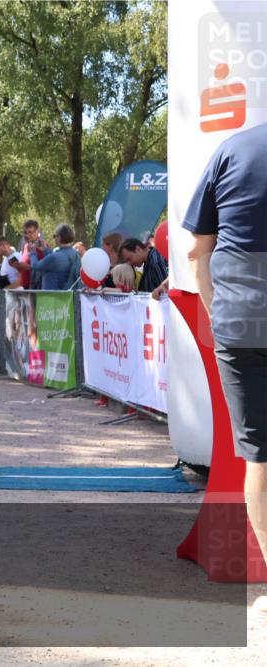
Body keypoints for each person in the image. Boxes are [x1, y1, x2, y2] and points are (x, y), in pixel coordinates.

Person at [183, 121, 267, 619]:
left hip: (241, 324)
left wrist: (220, 315)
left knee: (259, 456)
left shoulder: (232, 149)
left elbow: (196, 251)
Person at [30, 223, 80, 290]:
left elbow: (35, 266)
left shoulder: (55, 258)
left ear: (59, 238)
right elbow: (54, 263)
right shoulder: (75, 253)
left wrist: (32, 252)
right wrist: (46, 250)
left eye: (55, 236)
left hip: (52, 297)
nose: (54, 238)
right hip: (68, 296)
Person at [15, 219, 49, 289]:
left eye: (30, 232)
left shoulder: (43, 246)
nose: (27, 235)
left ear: (37, 232)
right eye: (25, 232)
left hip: (36, 289)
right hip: (24, 289)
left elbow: (46, 268)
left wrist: (27, 267)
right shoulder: (26, 246)